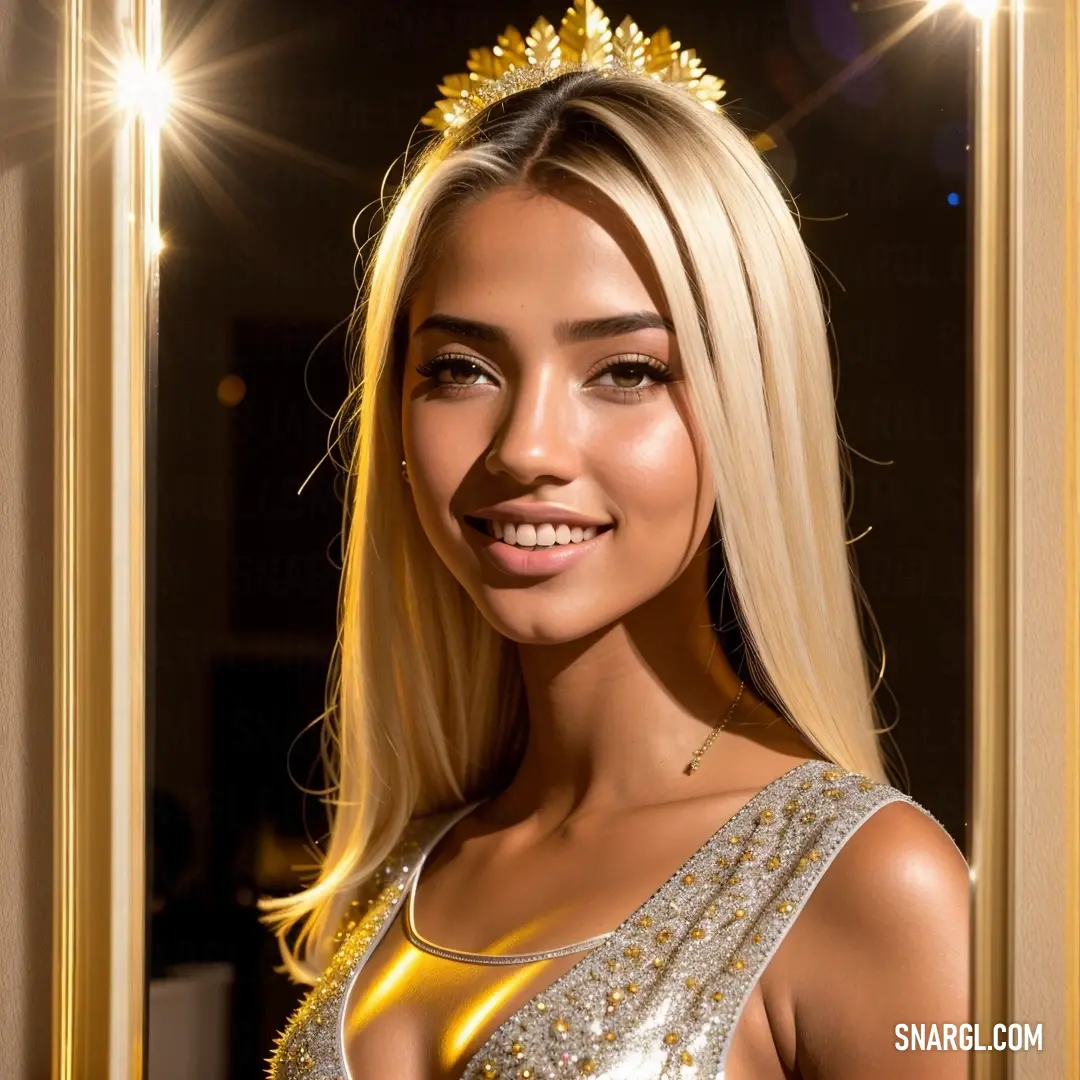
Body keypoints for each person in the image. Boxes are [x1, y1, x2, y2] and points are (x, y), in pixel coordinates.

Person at [263, 4, 969, 1078]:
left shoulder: (872, 885)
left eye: (626, 371)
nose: (526, 448)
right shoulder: (403, 873)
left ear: (752, 408)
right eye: (461, 369)